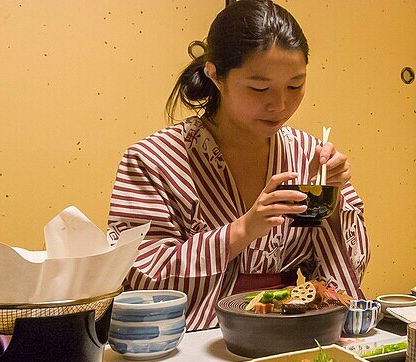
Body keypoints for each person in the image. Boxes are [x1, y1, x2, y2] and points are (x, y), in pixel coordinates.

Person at [108, 0, 370, 330]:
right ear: (216, 74)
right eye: (259, 87)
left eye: (295, 85)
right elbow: (140, 275)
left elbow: (341, 279)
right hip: (188, 344)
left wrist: (333, 201)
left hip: (286, 335)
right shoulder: (153, 160)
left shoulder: (307, 155)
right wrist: (242, 231)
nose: (280, 104)